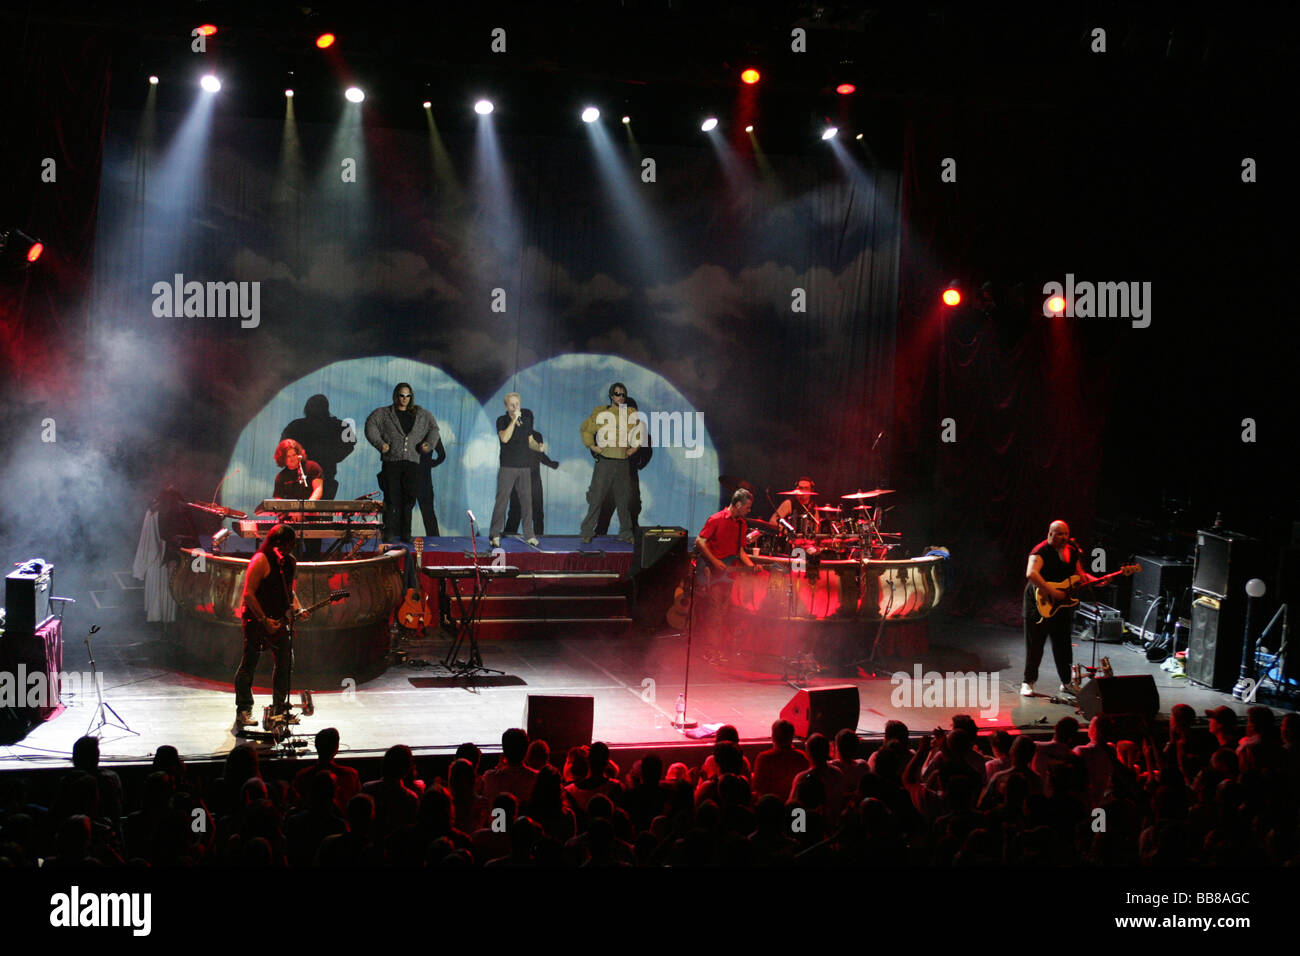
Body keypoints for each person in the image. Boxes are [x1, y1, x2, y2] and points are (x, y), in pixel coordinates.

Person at [234, 524, 312, 731]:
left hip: (278, 620)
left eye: (291, 546)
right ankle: (243, 709)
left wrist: (298, 609)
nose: (288, 550)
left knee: (286, 661)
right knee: (250, 662)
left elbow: (289, 592)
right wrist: (263, 619)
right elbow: (248, 594)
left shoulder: (289, 563)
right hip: (256, 619)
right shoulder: (260, 560)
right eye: (286, 546)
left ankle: (280, 709)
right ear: (277, 543)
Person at [1021, 520, 1096, 697]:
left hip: (1062, 604)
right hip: (1038, 603)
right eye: (1059, 534)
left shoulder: (1072, 551)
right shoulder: (1040, 551)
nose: (1063, 538)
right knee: (1035, 645)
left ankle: (1066, 682)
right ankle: (1028, 682)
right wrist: (1053, 591)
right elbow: (1031, 573)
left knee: (1063, 645)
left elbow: (1080, 575)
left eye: (1066, 534)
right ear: (1050, 534)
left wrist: (1099, 581)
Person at [364, 383, 439, 543]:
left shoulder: (420, 414)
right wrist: (380, 444)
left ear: (411, 397)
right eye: (401, 395)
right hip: (392, 462)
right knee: (391, 498)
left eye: (407, 396)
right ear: (395, 396)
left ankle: (406, 534)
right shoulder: (384, 413)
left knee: (409, 499)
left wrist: (428, 445)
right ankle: (389, 532)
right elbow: (370, 425)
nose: (404, 399)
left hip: (412, 462)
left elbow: (434, 429)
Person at [579, 383, 643, 543]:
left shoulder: (631, 414)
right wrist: (593, 447)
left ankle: (626, 533)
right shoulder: (602, 412)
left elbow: (639, 435)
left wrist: (633, 449)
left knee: (624, 500)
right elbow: (586, 429)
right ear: (611, 395)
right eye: (617, 394)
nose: (620, 397)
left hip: (622, 464)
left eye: (623, 395)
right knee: (596, 498)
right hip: (605, 463)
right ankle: (587, 531)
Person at [488, 392, 543, 547]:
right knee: (502, 501)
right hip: (508, 466)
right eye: (512, 405)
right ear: (506, 406)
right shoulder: (502, 420)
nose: (515, 407)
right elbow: (504, 438)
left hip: (524, 467)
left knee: (527, 502)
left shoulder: (526, 421)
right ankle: (494, 534)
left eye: (517, 404)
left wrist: (538, 447)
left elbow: (530, 440)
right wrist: (513, 421)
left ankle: (529, 535)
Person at [594, 396, 651, 535]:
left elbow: (647, 451)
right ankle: (598, 547)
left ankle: (633, 547)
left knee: (632, 514)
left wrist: (639, 464)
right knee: (604, 516)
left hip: (629, 478)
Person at [281, 395, 355, 500]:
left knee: (299, 511)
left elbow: (284, 446)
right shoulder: (337, 426)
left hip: (304, 477)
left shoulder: (296, 426)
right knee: (322, 511)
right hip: (322, 476)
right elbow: (349, 444)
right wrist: (332, 456)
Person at [505, 428, 560, 536]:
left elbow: (540, 455)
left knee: (537, 513)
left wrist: (550, 463)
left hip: (534, 481)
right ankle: (509, 538)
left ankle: (539, 538)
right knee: (515, 512)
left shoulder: (537, 435)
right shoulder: (514, 435)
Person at [415, 436, 448, 536]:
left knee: (428, 513)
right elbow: (442, 455)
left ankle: (434, 540)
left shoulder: (431, 434)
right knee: (428, 514)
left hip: (419, 478)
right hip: (422, 478)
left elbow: (442, 455)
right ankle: (435, 541)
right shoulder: (431, 434)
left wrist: (429, 463)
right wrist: (430, 463)